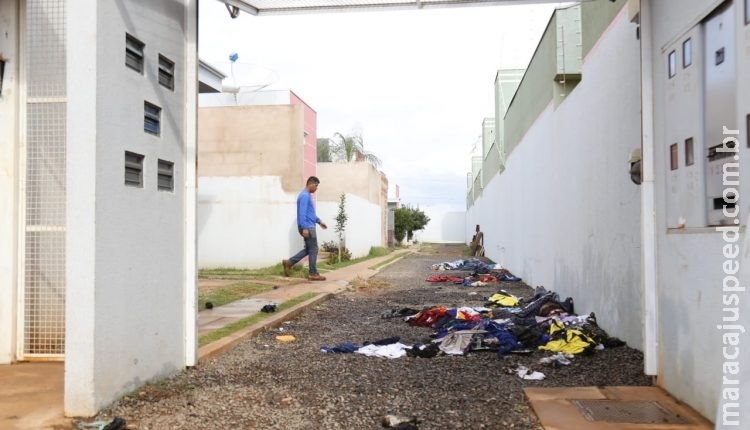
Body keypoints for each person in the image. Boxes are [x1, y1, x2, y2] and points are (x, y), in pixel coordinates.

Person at [283, 176, 328, 280]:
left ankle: (289, 262)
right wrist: (305, 228)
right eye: (316, 186)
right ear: (311, 184)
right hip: (308, 227)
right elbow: (302, 213)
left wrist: (319, 221)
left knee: (309, 249)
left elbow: (310, 214)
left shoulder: (306, 195)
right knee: (314, 249)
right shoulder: (304, 196)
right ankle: (313, 273)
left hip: (308, 225)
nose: (316, 188)